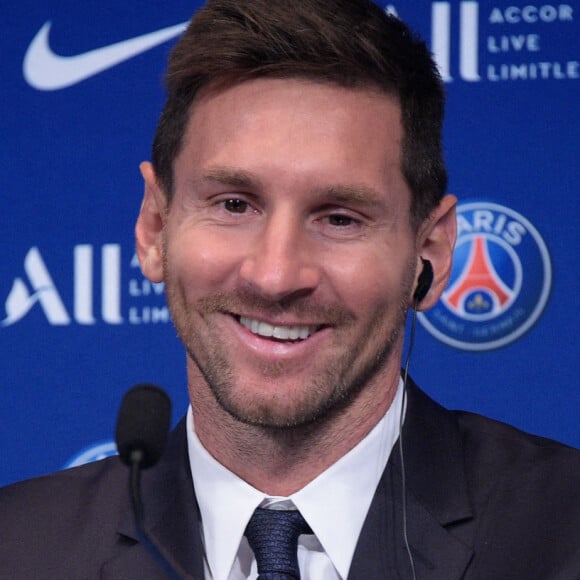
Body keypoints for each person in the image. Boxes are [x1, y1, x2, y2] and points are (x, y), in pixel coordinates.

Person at [2, 0, 580, 578]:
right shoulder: (19, 548)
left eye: (340, 218)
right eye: (234, 204)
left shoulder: (562, 531)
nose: (275, 276)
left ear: (428, 253)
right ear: (155, 227)